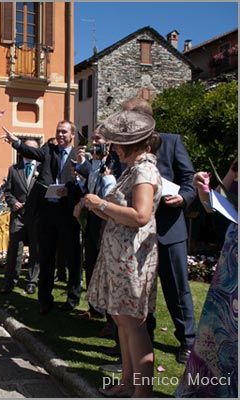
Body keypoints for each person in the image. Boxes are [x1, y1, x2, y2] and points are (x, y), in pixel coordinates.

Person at [83, 110, 162, 397]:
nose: (113, 147)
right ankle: (127, 383)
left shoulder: (143, 170)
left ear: (131, 144)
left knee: (133, 324)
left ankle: (142, 393)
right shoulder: (134, 168)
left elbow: (140, 216)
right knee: (121, 319)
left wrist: (101, 205)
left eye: (117, 143)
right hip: (122, 256)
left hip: (133, 258)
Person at [122, 97, 197, 363]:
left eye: (126, 118)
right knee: (141, 291)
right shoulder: (125, 149)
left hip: (169, 229)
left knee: (177, 289)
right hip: (138, 235)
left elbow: (189, 179)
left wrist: (184, 198)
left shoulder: (172, 141)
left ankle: (188, 341)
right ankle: (143, 340)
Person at [0, 122, 83, 310]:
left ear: (73, 135)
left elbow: (84, 182)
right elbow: (33, 154)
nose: (60, 135)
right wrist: (16, 143)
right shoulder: (49, 149)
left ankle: (73, 298)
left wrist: (68, 191)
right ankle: (45, 300)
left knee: (72, 257)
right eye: (58, 131)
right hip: (47, 213)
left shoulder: (79, 155)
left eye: (64, 132)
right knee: (46, 257)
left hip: (68, 213)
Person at [175, 157, 237, 398]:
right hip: (232, 258)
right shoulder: (236, 164)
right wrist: (202, 187)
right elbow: (213, 205)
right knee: (221, 329)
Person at [72, 126, 117, 319]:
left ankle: (109, 316)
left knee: (104, 266)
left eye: (97, 139)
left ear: (108, 142)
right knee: (90, 263)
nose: (94, 143)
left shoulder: (115, 163)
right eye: (92, 139)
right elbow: (89, 187)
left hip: (106, 221)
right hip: (91, 219)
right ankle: (94, 308)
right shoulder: (94, 164)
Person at [1, 138, 41, 294]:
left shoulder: (42, 168)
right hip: (18, 216)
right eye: (28, 148)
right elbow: (8, 191)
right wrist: (13, 203)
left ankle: (32, 280)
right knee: (14, 250)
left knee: (35, 251)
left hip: (36, 216)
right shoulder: (14, 169)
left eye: (34, 149)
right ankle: (10, 281)